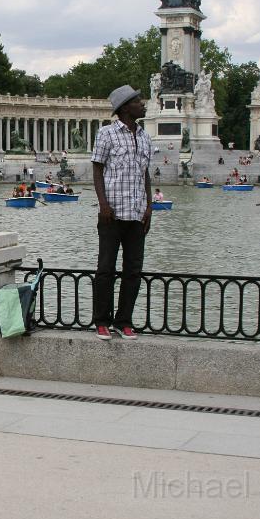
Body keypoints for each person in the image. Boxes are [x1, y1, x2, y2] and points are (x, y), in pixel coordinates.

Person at [91, 85, 152, 342]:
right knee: (106, 268)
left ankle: (124, 320)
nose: (143, 104)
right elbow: (97, 170)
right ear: (126, 107)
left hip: (137, 212)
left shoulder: (145, 136)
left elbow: (146, 173)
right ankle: (102, 321)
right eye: (138, 101)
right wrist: (103, 204)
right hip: (112, 212)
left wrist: (150, 206)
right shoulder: (106, 134)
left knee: (133, 270)